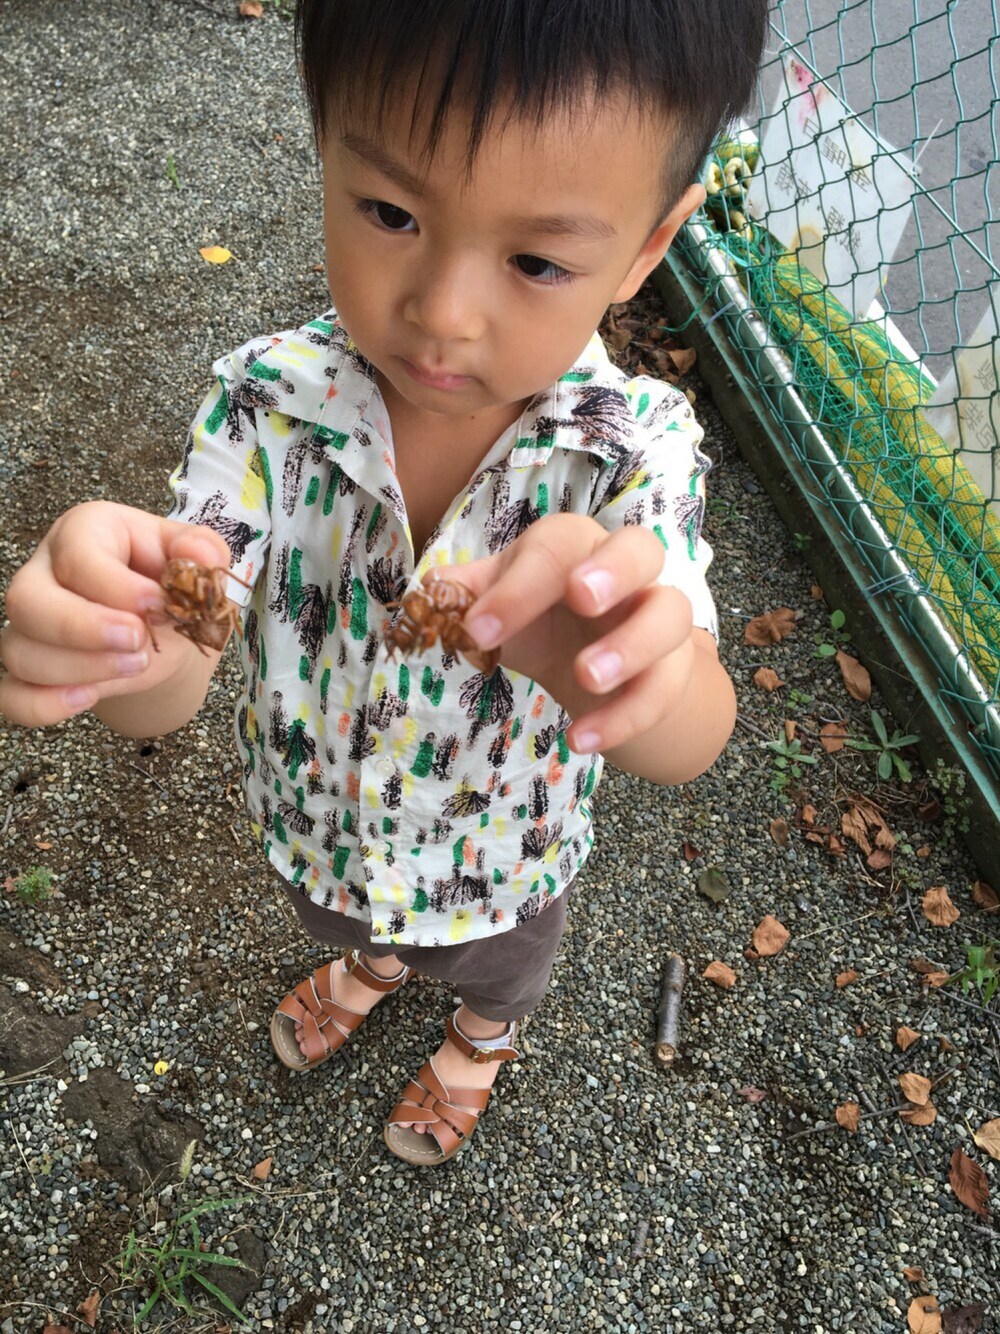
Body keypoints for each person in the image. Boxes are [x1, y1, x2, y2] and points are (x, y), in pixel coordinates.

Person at [0, 0, 766, 1166]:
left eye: (536, 261)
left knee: (498, 965)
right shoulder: (267, 407)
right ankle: (374, 960)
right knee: (346, 918)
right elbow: (171, 683)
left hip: (501, 859)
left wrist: (617, 666)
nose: (443, 314)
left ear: (646, 248)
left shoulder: (632, 456)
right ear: (327, 150)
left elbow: (693, 733)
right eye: (391, 213)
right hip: (322, 820)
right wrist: (127, 636)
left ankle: (482, 1035)